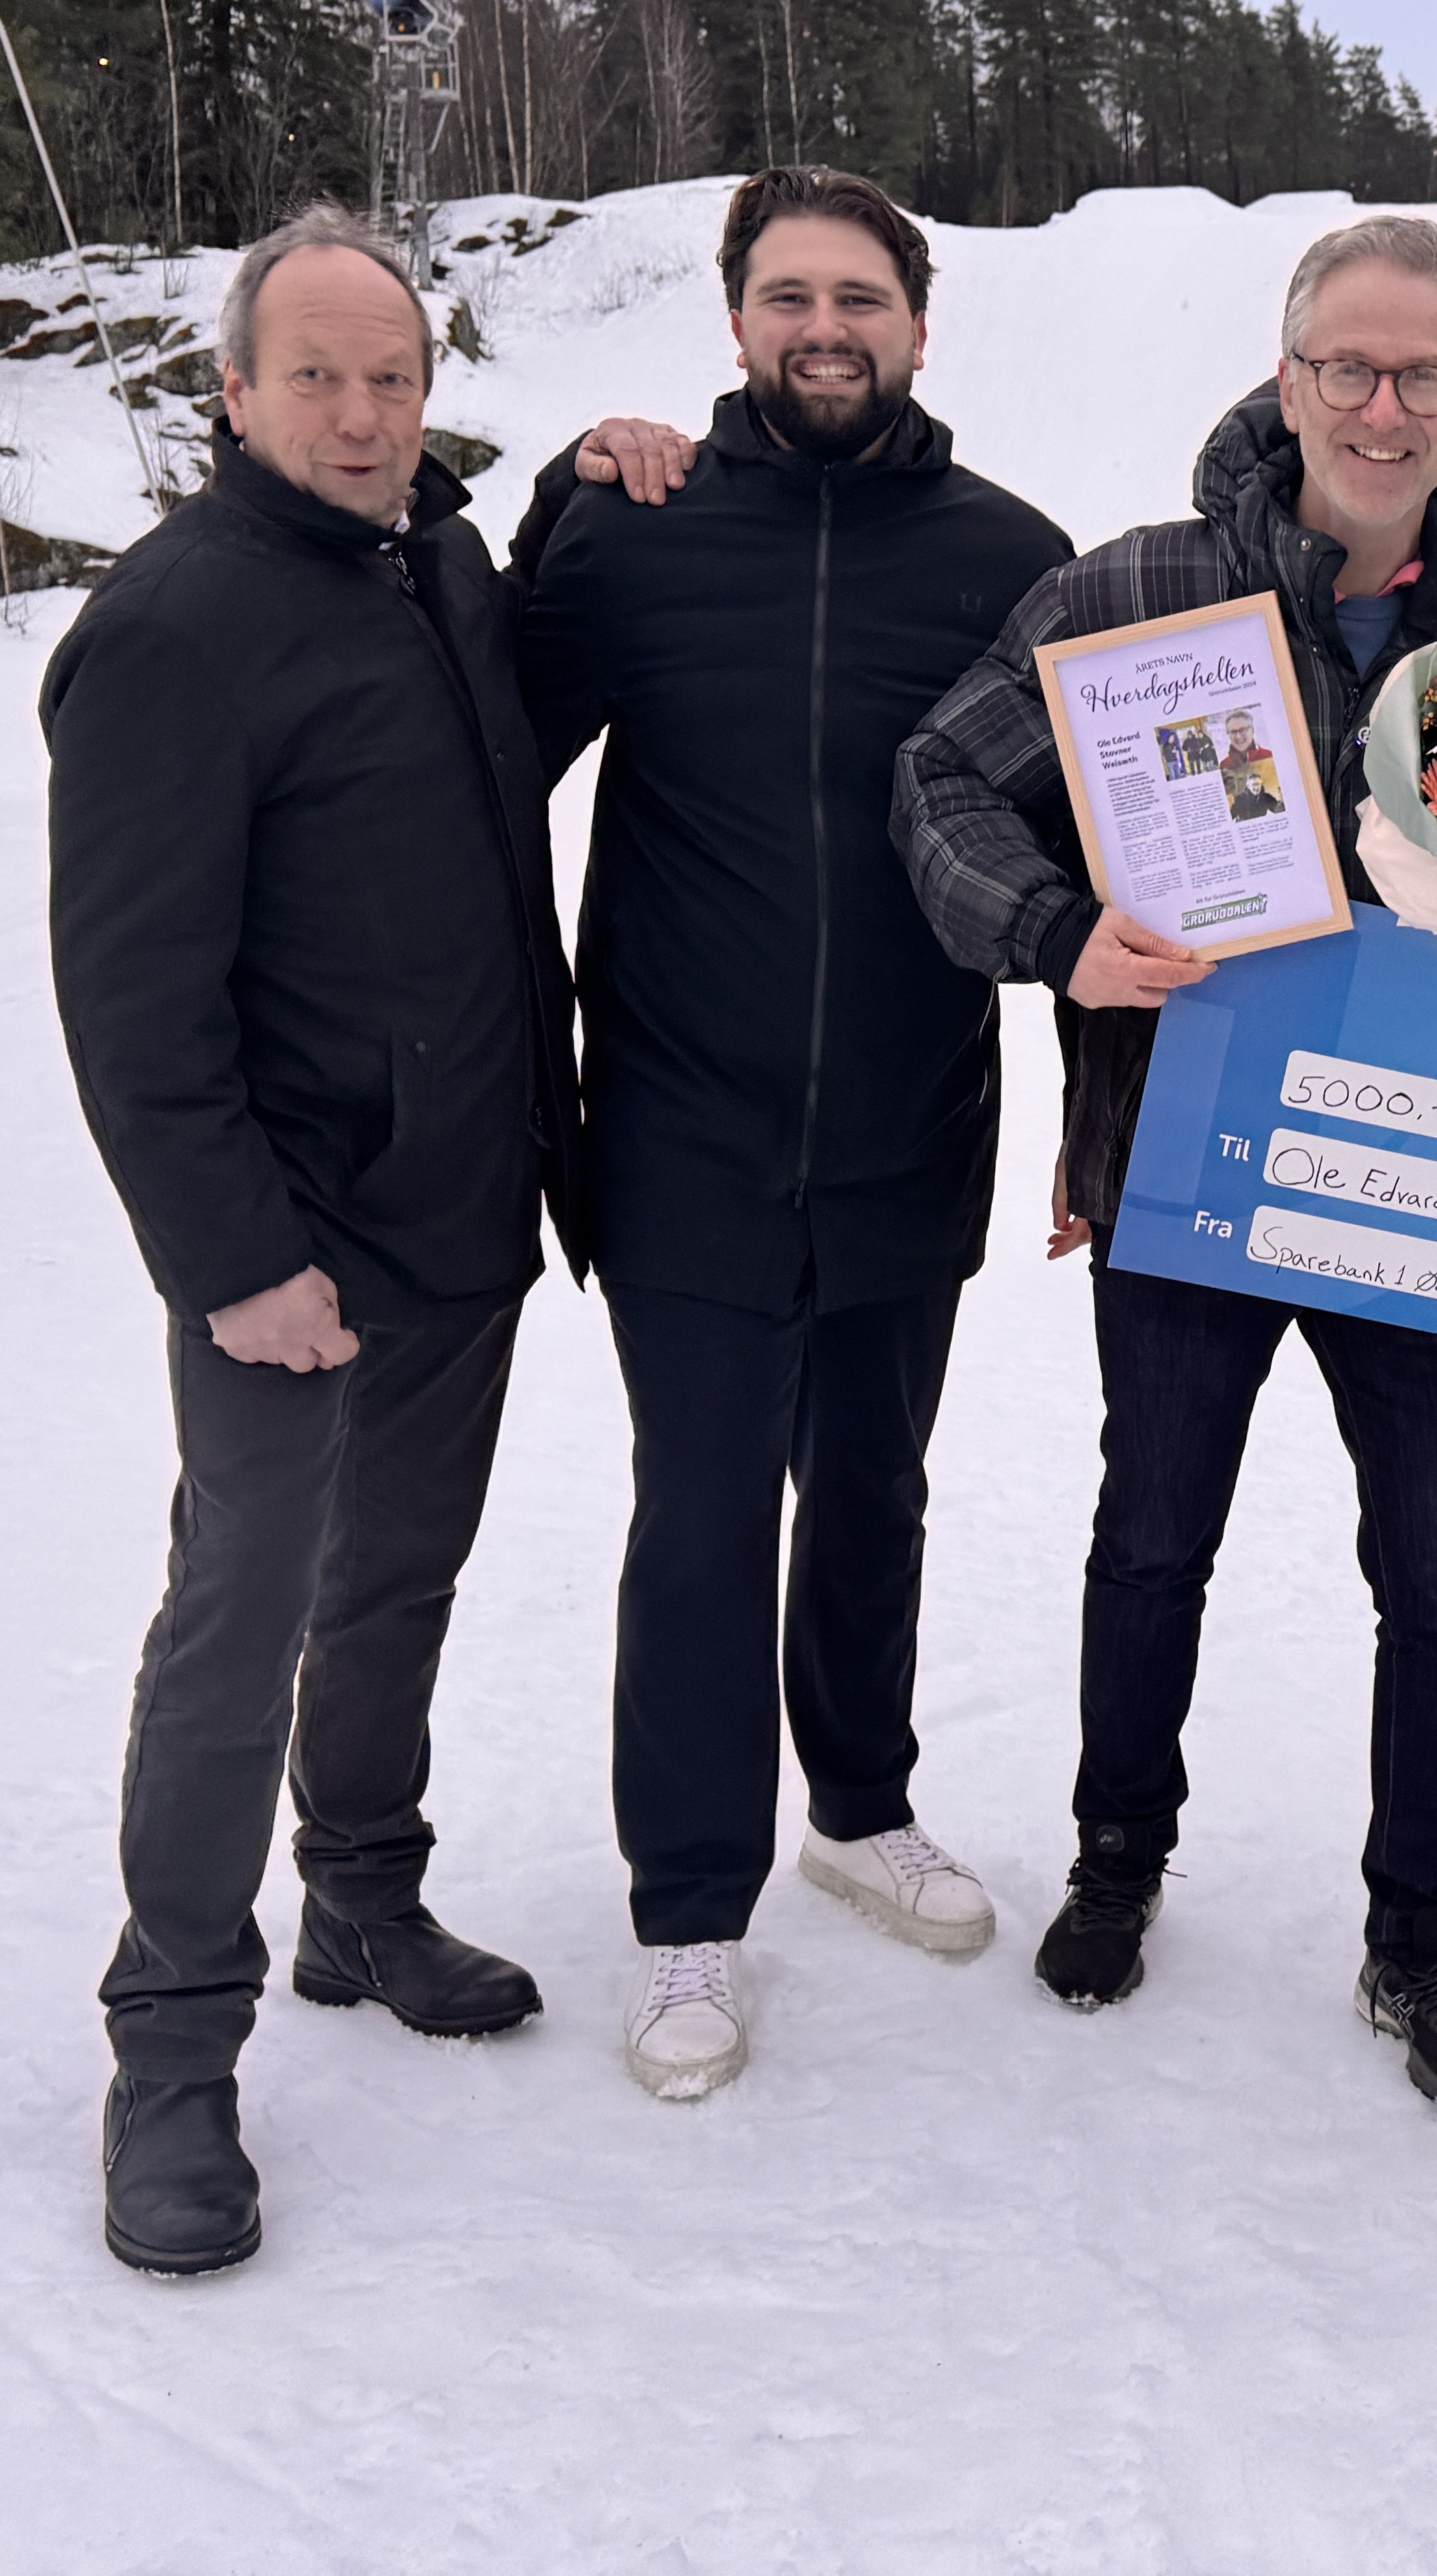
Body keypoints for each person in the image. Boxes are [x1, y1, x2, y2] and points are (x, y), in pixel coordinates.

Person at [893, 215, 1437, 2116]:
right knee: (1153, 1529)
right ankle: (1121, 1850)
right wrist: (1053, 932)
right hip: (1192, 1155)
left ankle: (1425, 1933)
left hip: (1429, 1175)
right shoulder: (1137, 592)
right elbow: (936, 776)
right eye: (1349, 364)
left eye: (1425, 371)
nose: (1384, 403)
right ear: (1287, 379)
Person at [42, 207, 582, 2275]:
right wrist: (231, 1255)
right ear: (237, 391)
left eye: (394, 377)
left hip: (462, 1199)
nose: (361, 414)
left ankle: (361, 1886)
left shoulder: (436, 560)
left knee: (399, 1580)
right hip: (293, 1241)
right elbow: (132, 996)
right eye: (320, 377)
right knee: (235, 1624)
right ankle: (171, 2051)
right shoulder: (177, 624)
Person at [514, 166, 1072, 2104]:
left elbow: (1096, 851)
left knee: (875, 1485)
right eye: (786, 295)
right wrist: (547, 488)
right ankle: (688, 1907)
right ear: (736, 321)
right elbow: (485, 729)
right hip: (680, 1112)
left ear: (919, 321)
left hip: (915, 1113)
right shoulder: (635, 526)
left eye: (859, 294)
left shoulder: (1015, 558)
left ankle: (858, 1801)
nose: (822, 325)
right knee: (702, 1504)